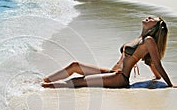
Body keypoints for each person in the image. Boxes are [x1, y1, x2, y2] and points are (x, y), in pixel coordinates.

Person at [41, 17, 176, 88]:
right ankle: (43, 81)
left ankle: (43, 87)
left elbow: (157, 63)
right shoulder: (140, 39)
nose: (149, 18)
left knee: (78, 81)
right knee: (74, 66)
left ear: (155, 28)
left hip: (119, 78)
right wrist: (156, 77)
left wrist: (169, 85)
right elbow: (150, 63)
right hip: (112, 73)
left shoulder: (149, 40)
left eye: (153, 20)